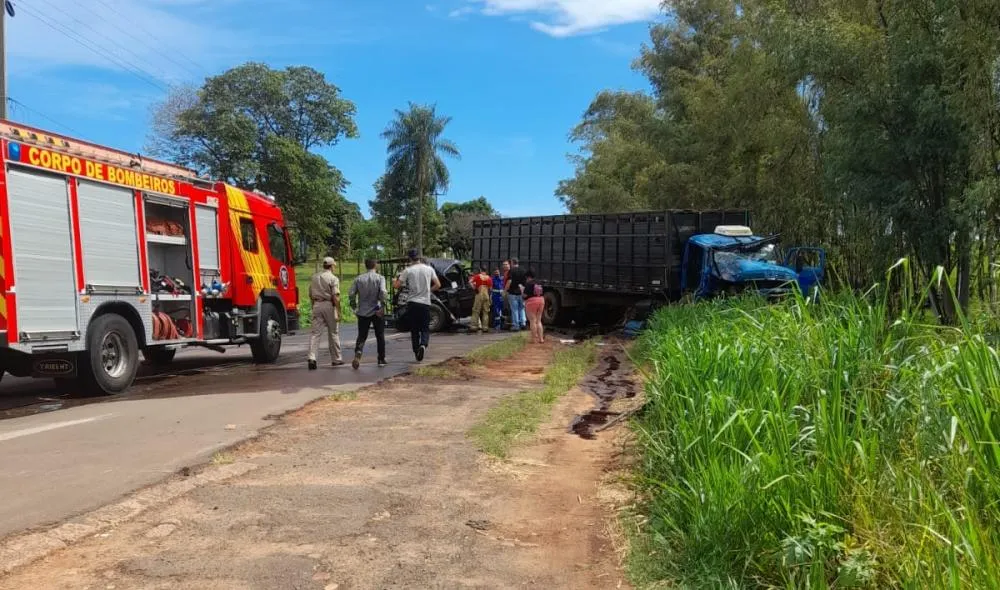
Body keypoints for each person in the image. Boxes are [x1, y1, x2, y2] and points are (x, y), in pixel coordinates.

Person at [393, 249, 440, 362]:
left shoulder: (408, 270)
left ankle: (416, 350)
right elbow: (438, 284)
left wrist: (394, 280)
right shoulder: (429, 269)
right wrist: (428, 291)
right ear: (419, 257)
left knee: (414, 329)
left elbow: (397, 286)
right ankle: (423, 344)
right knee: (424, 327)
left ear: (410, 258)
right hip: (425, 303)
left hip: (412, 303)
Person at [349, 259, 388, 369]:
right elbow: (383, 292)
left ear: (366, 266)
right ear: (375, 265)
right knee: (380, 335)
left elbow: (351, 293)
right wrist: (382, 304)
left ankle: (359, 351)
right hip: (376, 309)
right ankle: (381, 358)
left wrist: (354, 306)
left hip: (363, 311)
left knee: (362, 335)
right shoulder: (380, 278)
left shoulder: (359, 279)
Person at [308, 257, 343, 370]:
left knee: (315, 333)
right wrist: (338, 310)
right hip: (329, 304)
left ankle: (312, 357)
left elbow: (310, 293)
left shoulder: (314, 277)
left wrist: (313, 305)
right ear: (332, 266)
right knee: (333, 332)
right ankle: (336, 359)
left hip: (317, 304)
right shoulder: (333, 278)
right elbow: (335, 296)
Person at [523, 270, 545, 344]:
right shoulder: (539, 282)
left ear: (528, 277)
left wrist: (522, 290)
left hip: (531, 302)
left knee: (532, 321)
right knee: (539, 320)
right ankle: (541, 339)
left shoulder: (528, 283)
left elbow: (525, 295)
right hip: (541, 300)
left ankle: (533, 339)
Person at [506, 258, 528, 331]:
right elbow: (525, 282)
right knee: (521, 308)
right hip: (521, 292)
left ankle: (516, 325)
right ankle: (523, 323)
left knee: (514, 309)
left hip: (512, 293)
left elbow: (509, 281)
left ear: (512, 263)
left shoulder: (511, 271)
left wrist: (505, 290)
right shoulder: (523, 270)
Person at [469, 266, 492, 334]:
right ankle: (485, 327)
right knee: (486, 311)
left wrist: (474, 288)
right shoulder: (489, 278)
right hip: (486, 295)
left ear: (480, 270)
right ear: (486, 270)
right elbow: (490, 288)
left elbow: (470, 281)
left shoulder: (477, 276)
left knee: (476, 310)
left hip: (479, 294)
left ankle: (474, 326)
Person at [491, 268, 505, 332]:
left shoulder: (502, 278)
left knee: (502, 310)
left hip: (502, 296)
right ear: (494, 273)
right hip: (495, 296)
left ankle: (502, 324)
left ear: (499, 272)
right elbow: (491, 288)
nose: (497, 273)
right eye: (495, 272)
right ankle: (497, 324)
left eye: (498, 272)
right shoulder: (492, 279)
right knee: (496, 311)